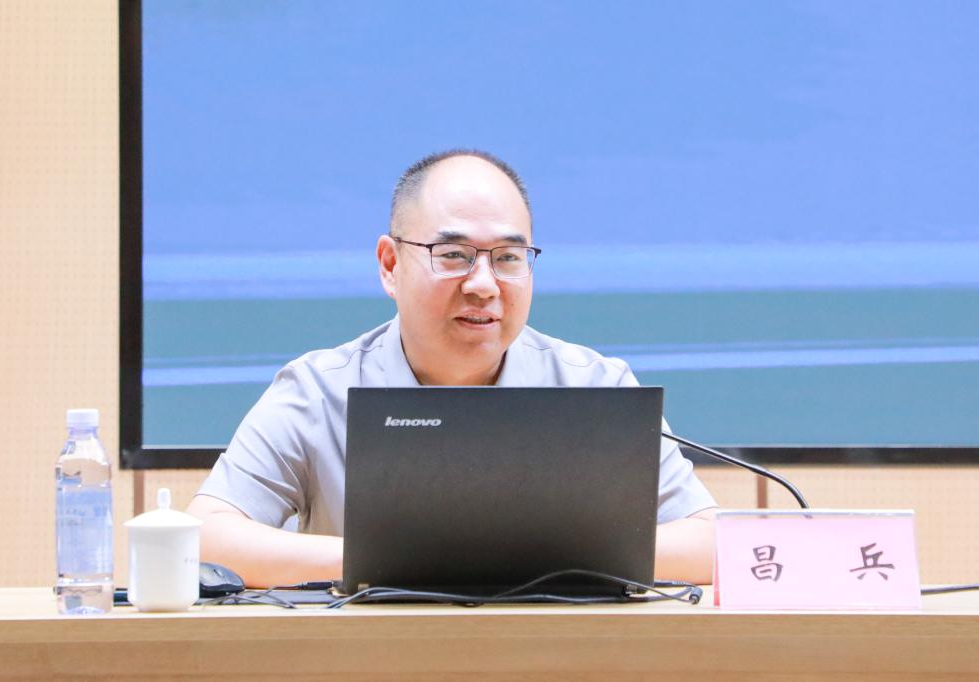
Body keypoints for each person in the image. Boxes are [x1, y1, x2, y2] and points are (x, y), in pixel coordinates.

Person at [188, 150, 718, 588]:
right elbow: (204, 537)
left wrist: (517, 563)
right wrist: (387, 562)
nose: (483, 284)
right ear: (390, 265)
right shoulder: (317, 391)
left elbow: (710, 541)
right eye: (454, 254)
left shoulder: (594, 388)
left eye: (507, 258)